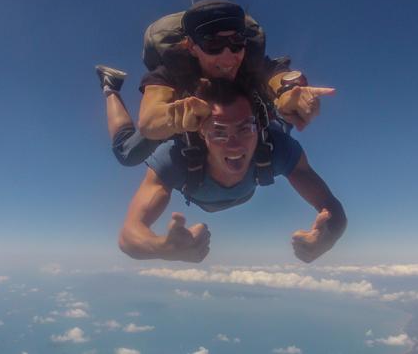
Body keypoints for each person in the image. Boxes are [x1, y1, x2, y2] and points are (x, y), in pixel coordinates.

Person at [118, 79, 346, 263]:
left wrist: (330, 235)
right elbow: (129, 235)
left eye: (245, 128)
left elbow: (330, 206)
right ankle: (110, 87)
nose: (234, 144)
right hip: (209, 169)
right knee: (125, 151)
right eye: (219, 132)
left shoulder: (275, 148)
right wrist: (162, 249)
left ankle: (284, 92)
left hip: (264, 134)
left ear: (257, 126)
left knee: (283, 119)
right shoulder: (176, 158)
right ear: (201, 134)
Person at [97, 0, 336, 166]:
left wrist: (289, 91)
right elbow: (149, 121)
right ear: (191, 47)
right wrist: (176, 114)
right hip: (186, 124)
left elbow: (276, 75)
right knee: (127, 154)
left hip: (236, 125)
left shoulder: (251, 62)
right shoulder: (173, 69)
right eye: (213, 44)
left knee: (278, 125)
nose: (228, 56)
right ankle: (110, 87)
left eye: (236, 41)